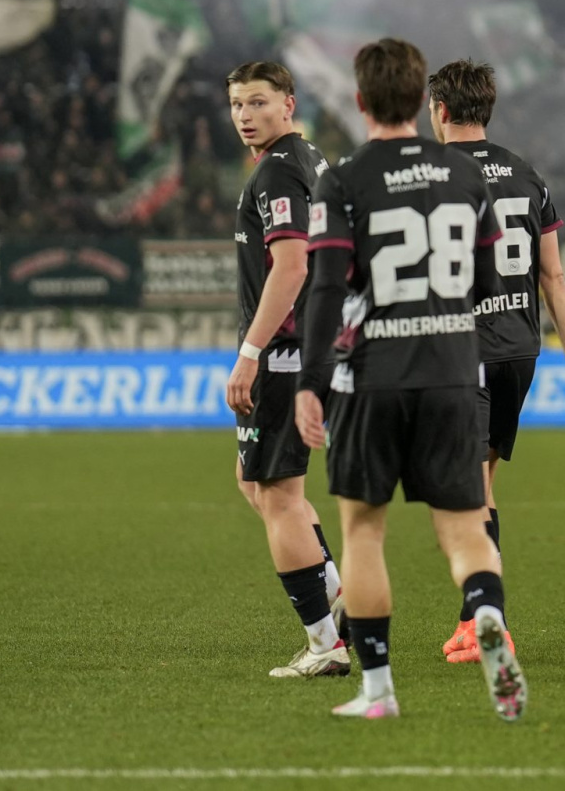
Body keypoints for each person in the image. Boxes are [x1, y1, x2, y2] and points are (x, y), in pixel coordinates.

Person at [294, 38, 523, 722]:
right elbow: (490, 283)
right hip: (453, 372)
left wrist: (309, 382)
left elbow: (324, 288)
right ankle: (486, 615)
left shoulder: (342, 179)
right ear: (423, 100)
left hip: (373, 377)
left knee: (363, 532)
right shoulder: (464, 174)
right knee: (464, 528)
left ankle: (379, 690)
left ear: (360, 100)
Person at [425, 59, 565, 663]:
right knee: (481, 484)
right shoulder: (526, 174)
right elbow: (552, 275)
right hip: (521, 350)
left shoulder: (431, 175)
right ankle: (472, 618)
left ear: (440, 110)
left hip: (464, 350)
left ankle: (488, 620)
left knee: (464, 495)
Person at [220, 61, 345, 680]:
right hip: (308, 347)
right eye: (237, 104)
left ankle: (325, 643)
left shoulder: (277, 171)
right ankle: (336, 593)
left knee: (277, 495)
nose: (245, 116)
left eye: (258, 102)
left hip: (284, 352)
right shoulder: (308, 159)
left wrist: (251, 352)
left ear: (288, 104)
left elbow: (292, 268)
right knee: (255, 484)